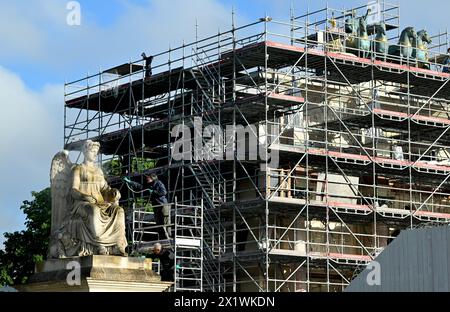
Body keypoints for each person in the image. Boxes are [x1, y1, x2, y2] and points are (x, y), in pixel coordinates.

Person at [124, 173, 171, 239]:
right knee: (158, 223)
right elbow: (139, 186)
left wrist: (153, 192)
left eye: (148, 177)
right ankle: (162, 238)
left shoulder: (159, 183)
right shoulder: (149, 185)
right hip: (156, 206)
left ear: (152, 178)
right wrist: (130, 182)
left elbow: (163, 192)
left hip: (163, 205)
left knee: (165, 222)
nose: (147, 178)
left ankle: (168, 237)